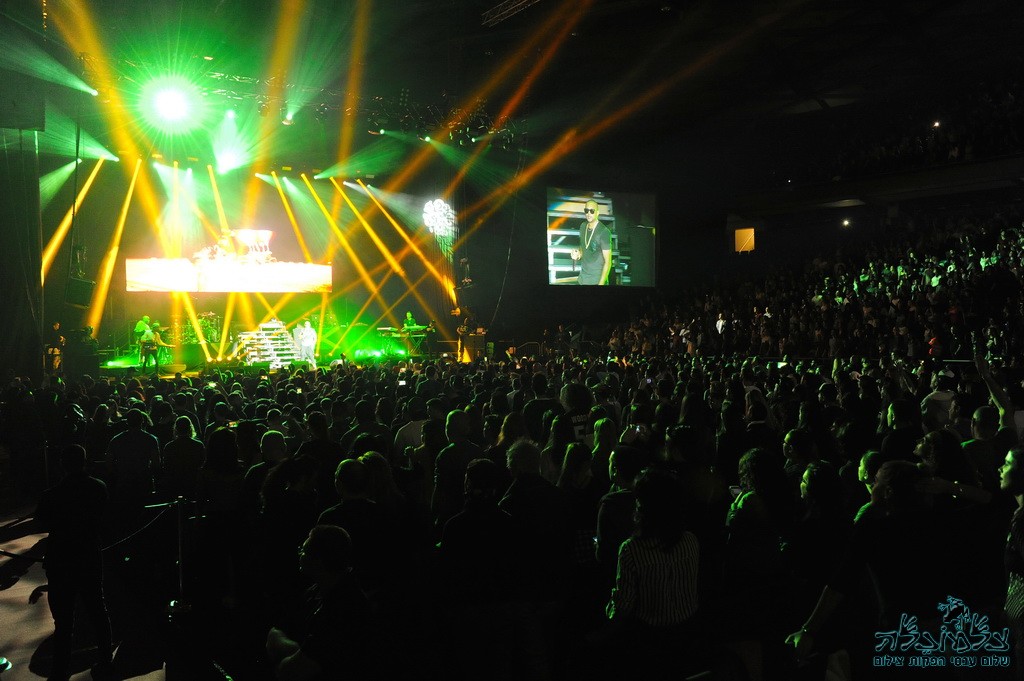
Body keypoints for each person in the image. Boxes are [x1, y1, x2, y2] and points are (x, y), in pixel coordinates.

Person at [35, 444, 113, 681]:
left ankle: (60, 669)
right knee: (97, 609)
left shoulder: (51, 495)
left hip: (61, 558)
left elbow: (41, 524)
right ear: (84, 461)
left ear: (62, 464)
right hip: (88, 554)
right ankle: (106, 659)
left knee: (63, 620)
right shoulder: (98, 487)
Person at [569, 200, 612, 286]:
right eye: (586, 210)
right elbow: (583, 247)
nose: (589, 213)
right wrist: (578, 254)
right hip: (582, 279)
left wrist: (601, 284)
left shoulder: (604, 232)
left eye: (592, 211)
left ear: (597, 213)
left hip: (596, 280)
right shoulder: (583, 226)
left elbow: (608, 262)